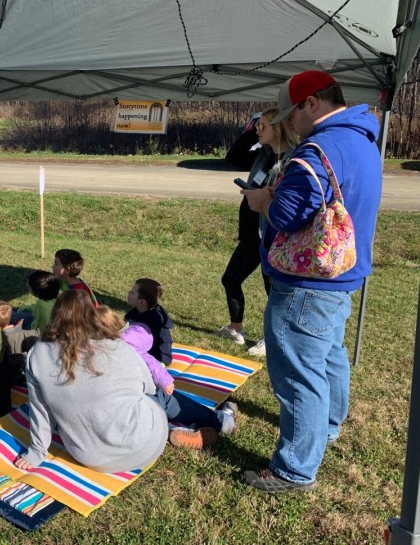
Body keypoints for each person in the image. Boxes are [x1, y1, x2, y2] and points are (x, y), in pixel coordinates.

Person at [242, 70, 382, 492]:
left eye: (290, 114)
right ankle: (330, 426)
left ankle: (294, 469)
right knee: (330, 357)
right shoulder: (362, 140)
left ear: (311, 104)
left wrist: (261, 199)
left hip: (305, 286)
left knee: (299, 374)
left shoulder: (317, 151)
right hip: (340, 278)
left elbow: (285, 216)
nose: (288, 125)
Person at [13, 292, 236, 474]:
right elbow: (148, 387)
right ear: (92, 315)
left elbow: (40, 410)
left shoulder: (37, 354)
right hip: (142, 445)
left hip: (88, 455)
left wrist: (37, 452)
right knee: (160, 397)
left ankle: (173, 432)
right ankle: (220, 420)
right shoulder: (115, 347)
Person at [213, 108, 297, 356]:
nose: (258, 130)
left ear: (279, 128)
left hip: (273, 236)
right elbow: (234, 156)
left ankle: (271, 338)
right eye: (257, 126)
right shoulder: (264, 154)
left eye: (263, 126)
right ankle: (235, 328)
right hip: (251, 235)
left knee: (273, 291)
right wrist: (253, 131)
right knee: (230, 279)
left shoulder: (292, 159)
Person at [97, 305, 237, 450]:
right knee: (168, 400)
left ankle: (173, 431)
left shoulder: (91, 355)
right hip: (146, 397)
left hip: (122, 413)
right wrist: (166, 382)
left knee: (151, 419)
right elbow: (151, 364)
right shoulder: (128, 345)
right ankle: (223, 421)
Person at [125, 278, 174, 365]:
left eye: (132, 292)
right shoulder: (135, 312)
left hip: (158, 358)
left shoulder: (155, 320)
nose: (128, 293)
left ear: (141, 301)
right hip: (143, 351)